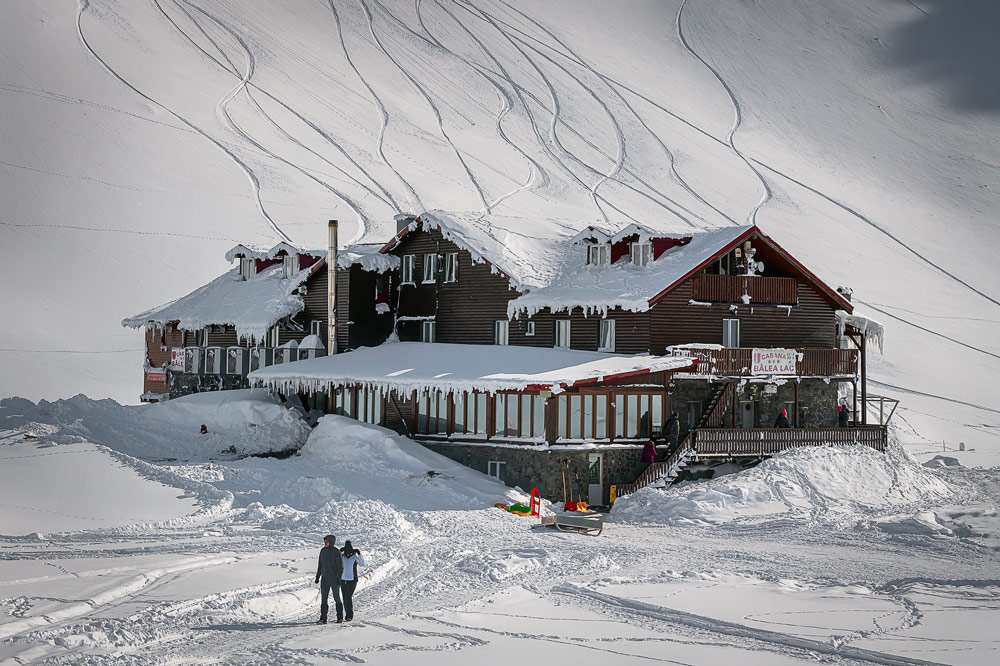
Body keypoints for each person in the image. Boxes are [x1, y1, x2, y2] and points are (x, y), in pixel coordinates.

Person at [315, 534, 344, 624]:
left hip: (334, 579)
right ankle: (323, 618)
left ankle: (339, 617)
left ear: (331, 542)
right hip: (325, 579)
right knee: (324, 599)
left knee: (336, 598)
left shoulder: (336, 552)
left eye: (326, 542)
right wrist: (317, 576)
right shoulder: (323, 551)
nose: (325, 543)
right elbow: (320, 564)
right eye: (324, 542)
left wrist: (339, 578)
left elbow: (340, 567)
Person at [340, 540, 366, 622]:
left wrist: (359, 554)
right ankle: (347, 613)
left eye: (349, 552)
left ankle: (349, 615)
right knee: (344, 598)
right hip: (343, 579)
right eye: (346, 552)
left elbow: (362, 564)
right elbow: (336, 561)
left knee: (348, 597)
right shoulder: (342, 556)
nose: (348, 554)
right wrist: (339, 552)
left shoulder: (355, 557)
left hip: (352, 580)